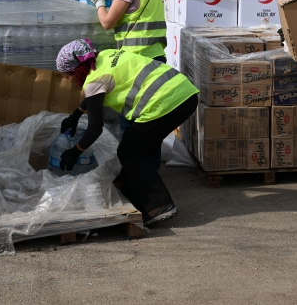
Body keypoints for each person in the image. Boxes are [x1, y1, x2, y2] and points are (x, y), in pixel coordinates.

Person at [55, 38, 199, 227]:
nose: (70, 81)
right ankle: (136, 196)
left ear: (77, 70)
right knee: (140, 149)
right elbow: (95, 95)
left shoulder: (93, 81)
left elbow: (94, 129)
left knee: (130, 152)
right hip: (184, 93)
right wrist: (76, 115)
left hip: (166, 103)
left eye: (68, 76)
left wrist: (75, 151)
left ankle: (159, 205)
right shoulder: (104, 56)